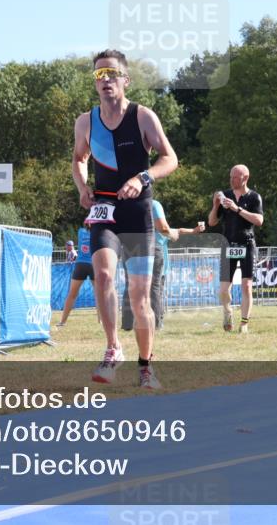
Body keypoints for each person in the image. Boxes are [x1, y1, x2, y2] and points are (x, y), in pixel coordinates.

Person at [72, 49, 177, 389]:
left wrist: (142, 178)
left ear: (125, 80)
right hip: (104, 210)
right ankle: (113, 348)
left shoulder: (143, 116)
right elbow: (78, 158)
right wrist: (82, 185)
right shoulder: (85, 121)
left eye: (111, 74)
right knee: (102, 276)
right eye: (99, 75)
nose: (105, 80)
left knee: (139, 296)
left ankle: (146, 366)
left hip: (137, 213)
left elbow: (169, 158)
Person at [122, 200, 205, 332]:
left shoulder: (127, 205)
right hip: (157, 261)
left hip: (129, 246)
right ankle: (156, 323)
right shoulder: (160, 230)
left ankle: (127, 323)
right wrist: (192, 231)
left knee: (131, 285)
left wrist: (194, 230)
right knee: (156, 290)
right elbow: (175, 231)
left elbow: (178, 230)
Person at [208, 165, 264, 333]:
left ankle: (244, 323)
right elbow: (211, 222)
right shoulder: (225, 195)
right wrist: (216, 205)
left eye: (235, 177)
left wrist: (237, 208)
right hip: (228, 245)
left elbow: (259, 221)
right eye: (230, 176)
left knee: (246, 285)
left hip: (247, 244)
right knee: (224, 290)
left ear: (245, 178)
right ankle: (228, 313)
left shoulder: (254, 197)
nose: (231, 180)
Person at [57, 228, 93, 326]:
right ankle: (101, 321)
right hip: (92, 263)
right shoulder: (97, 231)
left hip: (80, 264)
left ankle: (62, 322)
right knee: (99, 295)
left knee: (72, 294)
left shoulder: (81, 231)